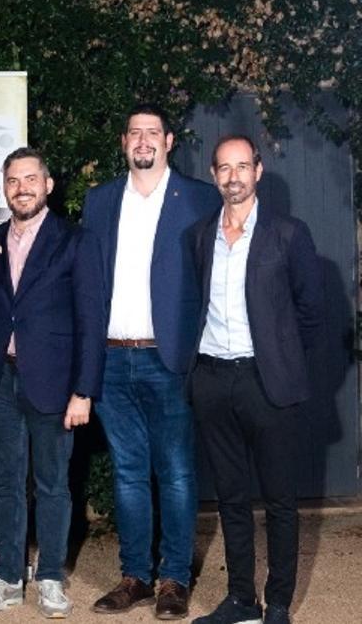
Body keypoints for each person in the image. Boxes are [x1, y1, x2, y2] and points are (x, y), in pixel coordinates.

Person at [82, 104, 221, 619]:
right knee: (128, 472)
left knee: (179, 473)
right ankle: (135, 576)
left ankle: (174, 580)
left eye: (152, 133)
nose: (143, 140)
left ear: (168, 142)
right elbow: (89, 285)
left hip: (170, 358)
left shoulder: (199, 199)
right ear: (124, 143)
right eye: (134, 132)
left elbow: (213, 282)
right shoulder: (99, 202)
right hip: (113, 359)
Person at [190, 136, 323, 624]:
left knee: (280, 501)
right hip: (212, 380)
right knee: (230, 498)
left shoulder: (289, 234)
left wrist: (282, 363)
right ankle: (241, 599)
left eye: (242, 166)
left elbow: (311, 313)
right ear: (213, 175)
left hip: (267, 384)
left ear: (258, 171)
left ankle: (280, 604)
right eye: (224, 168)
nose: (233, 177)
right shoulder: (201, 235)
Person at [0, 147, 105, 618]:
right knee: (5, 485)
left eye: (30, 179)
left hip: (54, 385)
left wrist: (83, 390)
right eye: (12, 180)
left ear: (47, 185)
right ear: (4, 187)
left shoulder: (75, 241)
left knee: (52, 485)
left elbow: (91, 320)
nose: (21, 188)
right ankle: (7, 575)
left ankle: (49, 576)